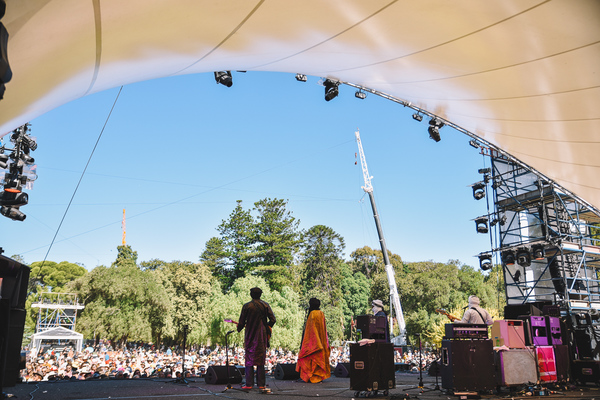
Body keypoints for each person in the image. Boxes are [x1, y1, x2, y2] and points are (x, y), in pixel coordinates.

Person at [237, 287, 276, 389]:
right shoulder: (265, 305)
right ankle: (261, 384)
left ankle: (249, 384)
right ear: (260, 294)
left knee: (249, 359)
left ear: (251, 294)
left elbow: (241, 322)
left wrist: (239, 328)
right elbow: (273, 319)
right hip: (262, 335)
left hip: (250, 334)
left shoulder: (247, 306)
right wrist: (267, 326)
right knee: (261, 359)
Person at [296, 298, 331, 383]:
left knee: (311, 358)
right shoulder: (321, 313)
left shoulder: (312, 314)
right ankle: (318, 376)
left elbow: (311, 330)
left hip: (314, 342)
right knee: (318, 359)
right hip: (321, 340)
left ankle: (311, 376)